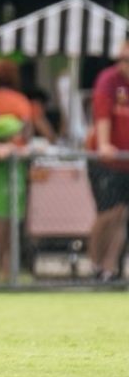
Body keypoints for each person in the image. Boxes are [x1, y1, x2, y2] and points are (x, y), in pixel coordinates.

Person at [85, 42, 129, 283]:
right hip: (107, 163)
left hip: (126, 163)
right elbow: (102, 113)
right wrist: (103, 144)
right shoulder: (109, 79)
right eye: (122, 59)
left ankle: (109, 269)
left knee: (122, 215)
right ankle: (94, 262)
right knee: (108, 214)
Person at [0, 115, 28, 282]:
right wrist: (13, 149)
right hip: (0, 200)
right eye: (16, 133)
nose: (20, 135)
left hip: (17, 200)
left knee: (11, 242)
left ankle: (9, 278)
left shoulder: (21, 149)